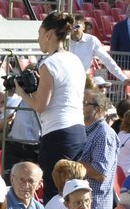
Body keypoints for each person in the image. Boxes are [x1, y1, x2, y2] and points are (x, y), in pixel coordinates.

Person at [25, 11, 87, 189]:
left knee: (55, 193)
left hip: (57, 134)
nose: (38, 40)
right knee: (74, 190)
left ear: (48, 34)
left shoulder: (49, 63)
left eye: (39, 34)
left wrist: (22, 92)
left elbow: (40, 105)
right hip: (78, 131)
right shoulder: (75, 60)